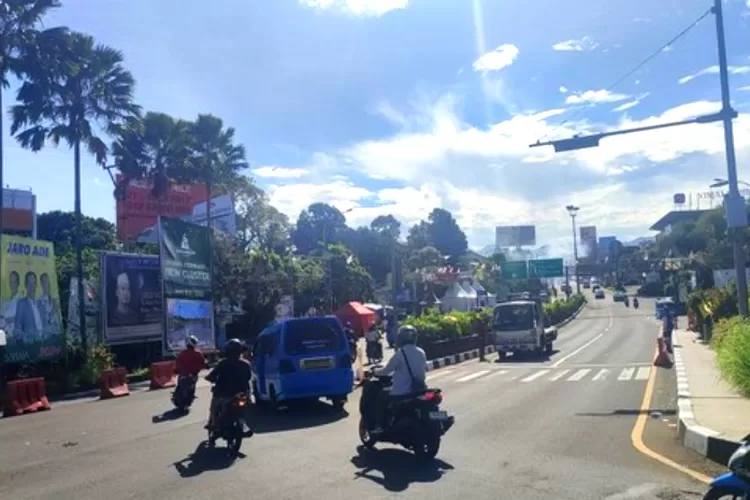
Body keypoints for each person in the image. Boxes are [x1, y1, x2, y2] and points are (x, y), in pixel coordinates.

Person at [371, 325, 427, 435]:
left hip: (402, 392)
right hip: (420, 390)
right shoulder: (421, 352)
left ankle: (379, 426)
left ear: (400, 338)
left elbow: (386, 371)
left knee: (381, 397)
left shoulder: (400, 354)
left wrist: (374, 372)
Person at [205, 338, 253, 433]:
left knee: (214, 405)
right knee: (245, 407)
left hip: (223, 393)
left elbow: (212, 375)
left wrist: (209, 378)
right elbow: (248, 377)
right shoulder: (246, 364)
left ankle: (213, 424)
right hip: (241, 393)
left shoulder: (223, 363)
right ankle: (243, 422)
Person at [15, 272, 43, 342]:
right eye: (29, 283)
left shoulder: (41, 303)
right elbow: (18, 326)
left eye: (33, 283)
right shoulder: (21, 303)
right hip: (31, 344)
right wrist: (24, 338)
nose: (32, 286)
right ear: (25, 285)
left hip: (46, 343)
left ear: (36, 285)